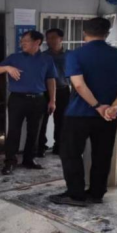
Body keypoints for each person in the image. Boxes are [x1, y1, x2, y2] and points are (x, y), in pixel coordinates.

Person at [50, 18, 117, 207]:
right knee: (102, 154)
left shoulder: (76, 55)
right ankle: (97, 193)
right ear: (107, 33)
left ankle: (76, 194)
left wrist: (97, 106)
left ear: (84, 33)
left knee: (70, 153)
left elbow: (79, 85)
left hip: (79, 114)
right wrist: (113, 106)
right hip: (108, 116)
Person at [0, 30, 57, 175]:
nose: (22, 43)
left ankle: (29, 159)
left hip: (38, 99)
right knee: (13, 131)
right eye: (22, 41)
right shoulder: (14, 58)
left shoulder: (46, 59)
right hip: (17, 99)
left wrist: (52, 100)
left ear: (37, 42)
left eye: (26, 41)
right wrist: (7, 67)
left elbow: (51, 80)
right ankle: (10, 161)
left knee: (34, 131)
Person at [37, 28, 71, 157]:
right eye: (48, 38)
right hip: (44, 91)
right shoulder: (43, 56)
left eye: (53, 37)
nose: (49, 40)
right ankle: (40, 147)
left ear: (61, 39)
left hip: (63, 90)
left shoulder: (69, 55)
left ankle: (59, 146)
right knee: (42, 121)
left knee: (62, 120)